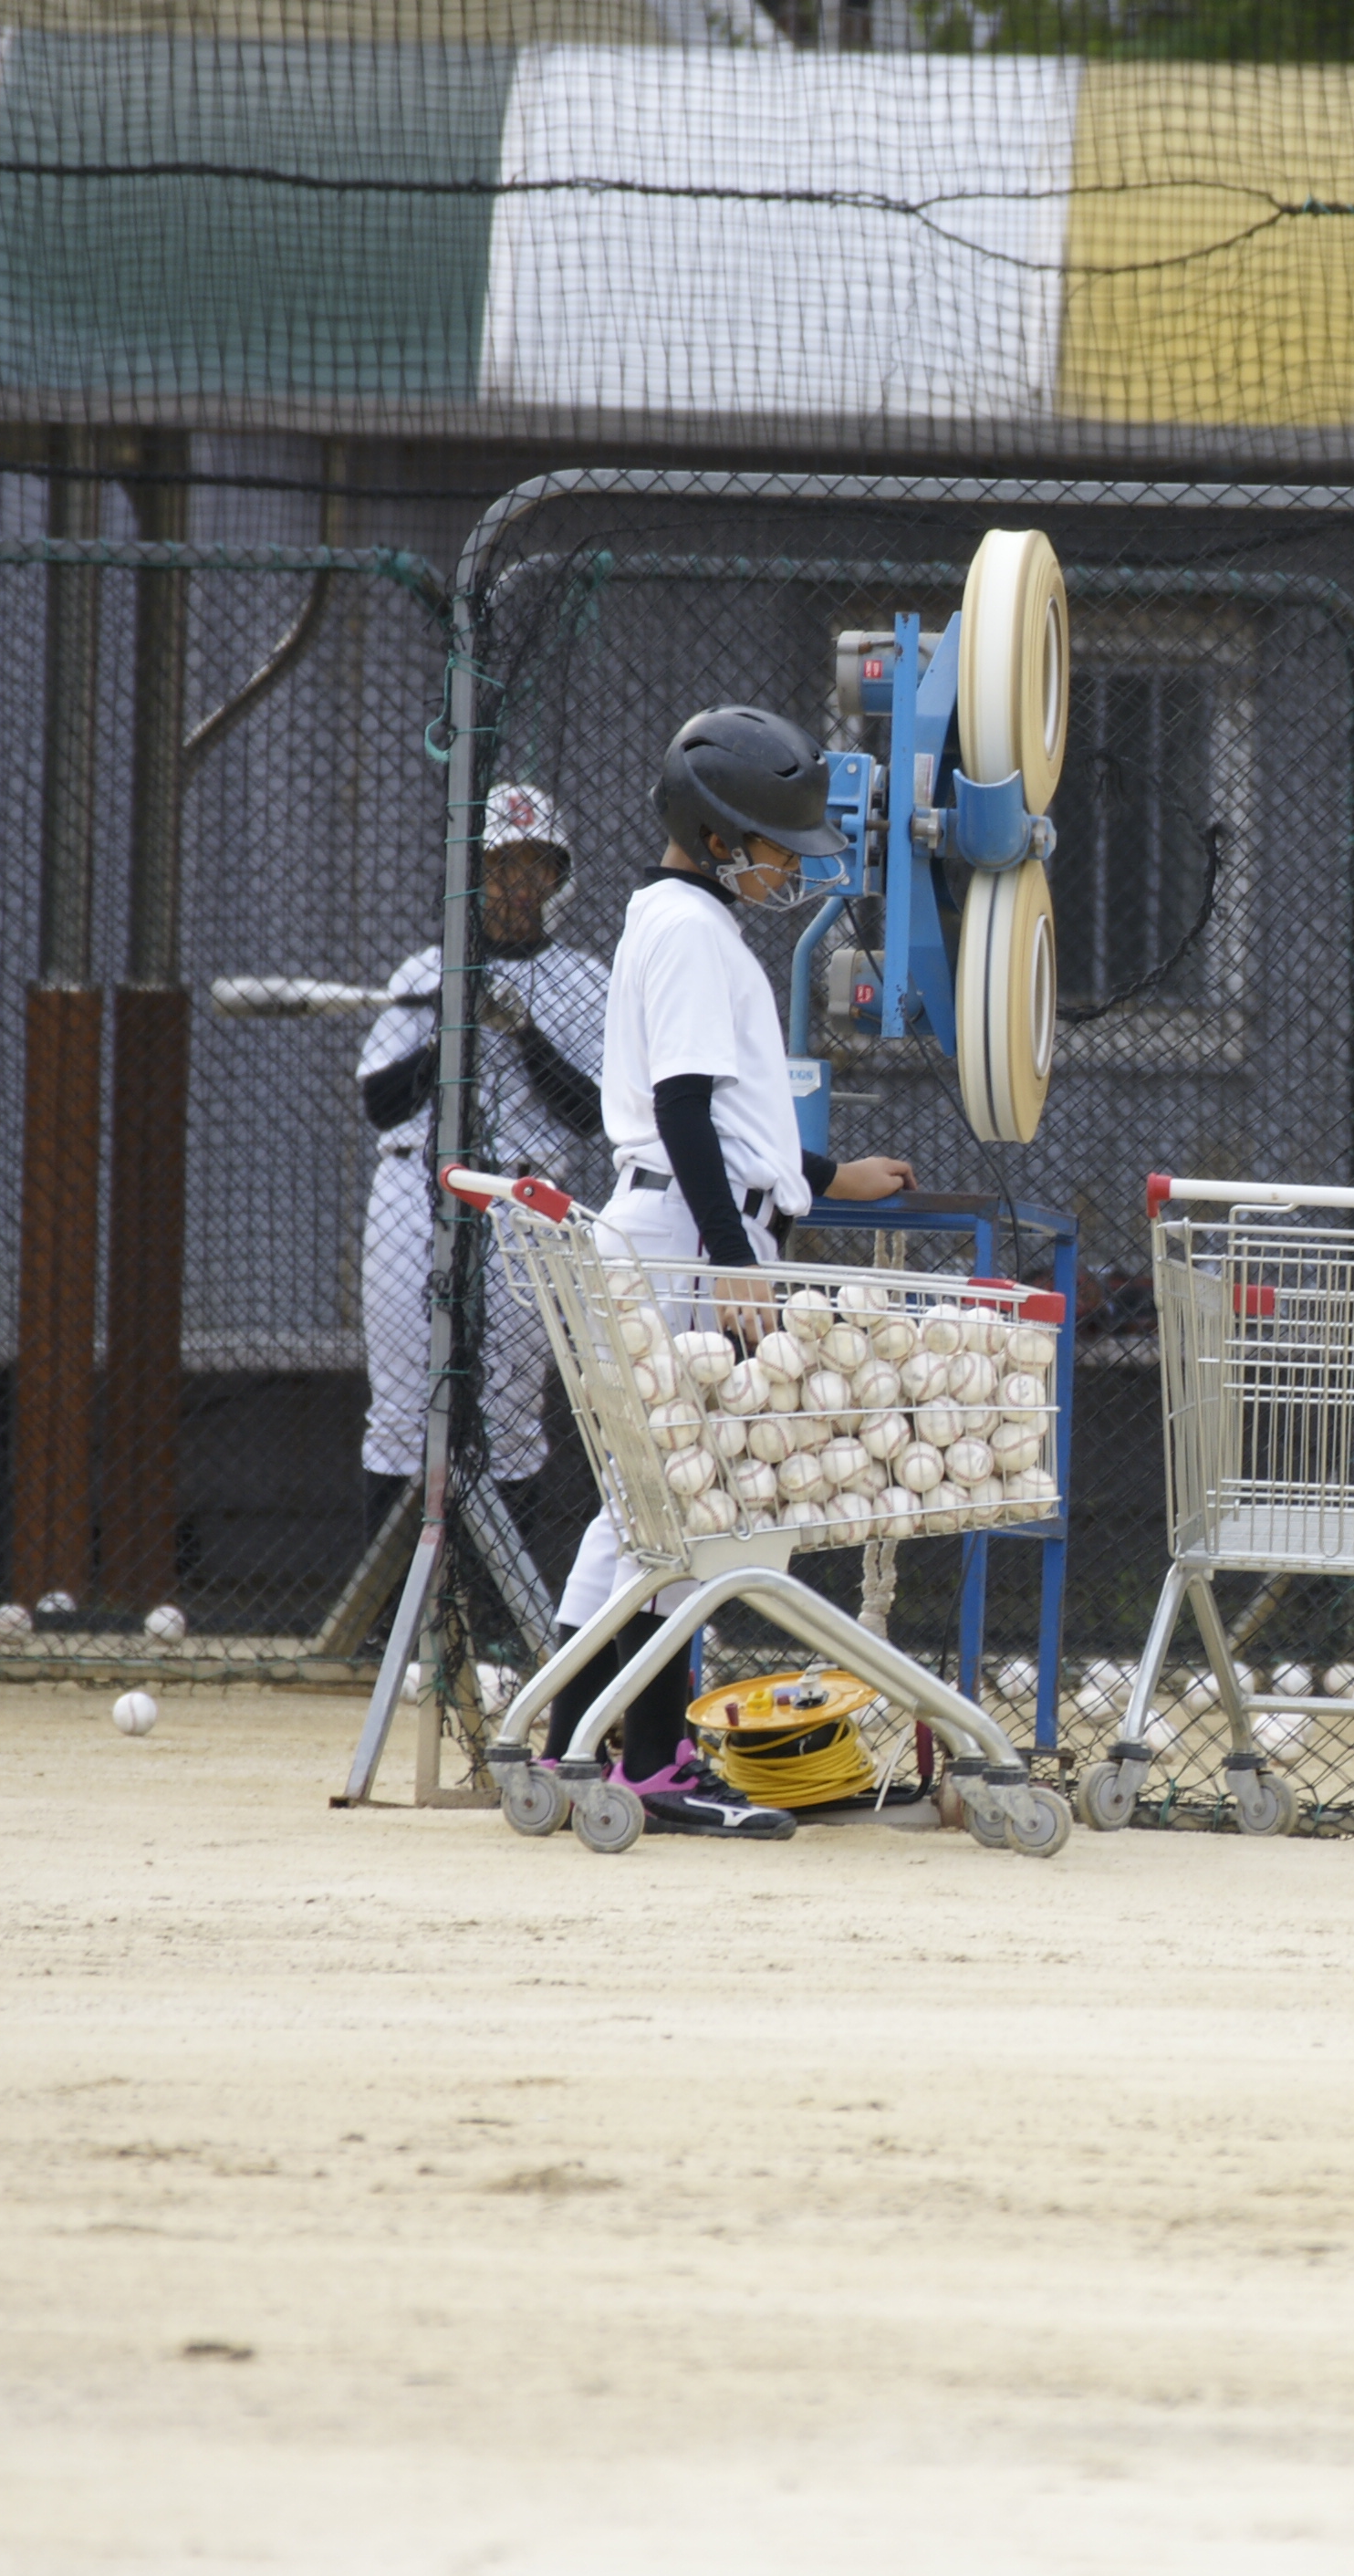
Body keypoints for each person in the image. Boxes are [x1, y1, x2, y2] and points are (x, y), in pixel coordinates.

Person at [542, 708, 914, 1840]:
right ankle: (646, 1760)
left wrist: (824, 1174)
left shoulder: (672, 918)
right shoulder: (694, 930)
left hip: (678, 1226)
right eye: (770, 845)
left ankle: (569, 1745)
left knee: (645, 1504)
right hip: (689, 1239)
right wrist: (736, 1254)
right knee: (678, 1504)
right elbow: (683, 1109)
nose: (786, 867)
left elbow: (729, 1119)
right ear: (714, 837)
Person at [357, 781, 609, 1543]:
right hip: (414, 1190)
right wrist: (451, 1032)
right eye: (501, 864)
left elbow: (592, 1114)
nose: (518, 883)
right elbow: (380, 1103)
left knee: (508, 1415)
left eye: (536, 865)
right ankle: (393, 1599)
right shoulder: (425, 973)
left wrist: (525, 1033)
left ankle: (497, 1604)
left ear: (558, 878)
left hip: (523, 1197)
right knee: (403, 1413)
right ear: (472, 873)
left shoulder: (584, 980)